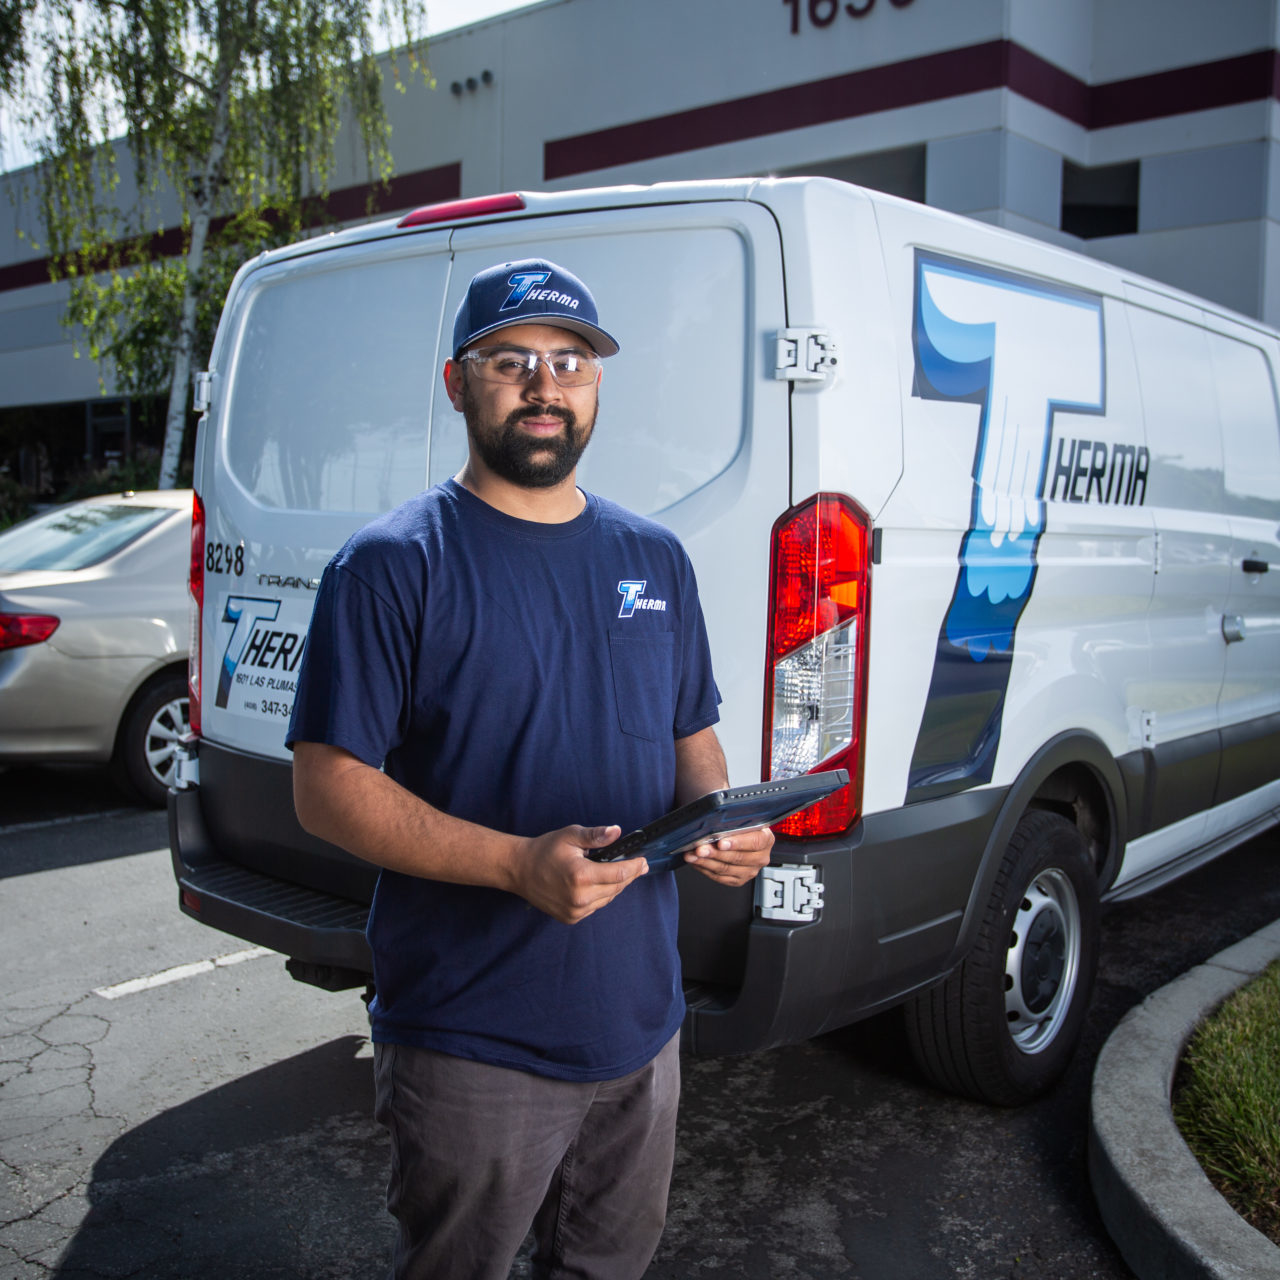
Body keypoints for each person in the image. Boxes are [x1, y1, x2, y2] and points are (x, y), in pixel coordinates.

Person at [287, 257, 774, 1280]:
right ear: (459, 382)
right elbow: (325, 784)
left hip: (642, 1022)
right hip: (470, 1033)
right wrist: (516, 864)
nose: (544, 385)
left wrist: (721, 822)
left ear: (595, 387)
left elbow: (693, 738)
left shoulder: (654, 558)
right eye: (510, 361)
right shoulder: (392, 563)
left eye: (568, 362)